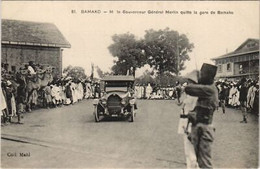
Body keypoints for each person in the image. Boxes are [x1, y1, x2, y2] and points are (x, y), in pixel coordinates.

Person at [184, 63, 218, 169]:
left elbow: (188, 89)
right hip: (200, 126)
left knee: (205, 163)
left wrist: (197, 82)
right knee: (200, 160)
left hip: (205, 128)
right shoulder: (208, 89)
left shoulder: (209, 90)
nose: (201, 76)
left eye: (202, 74)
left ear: (209, 76)